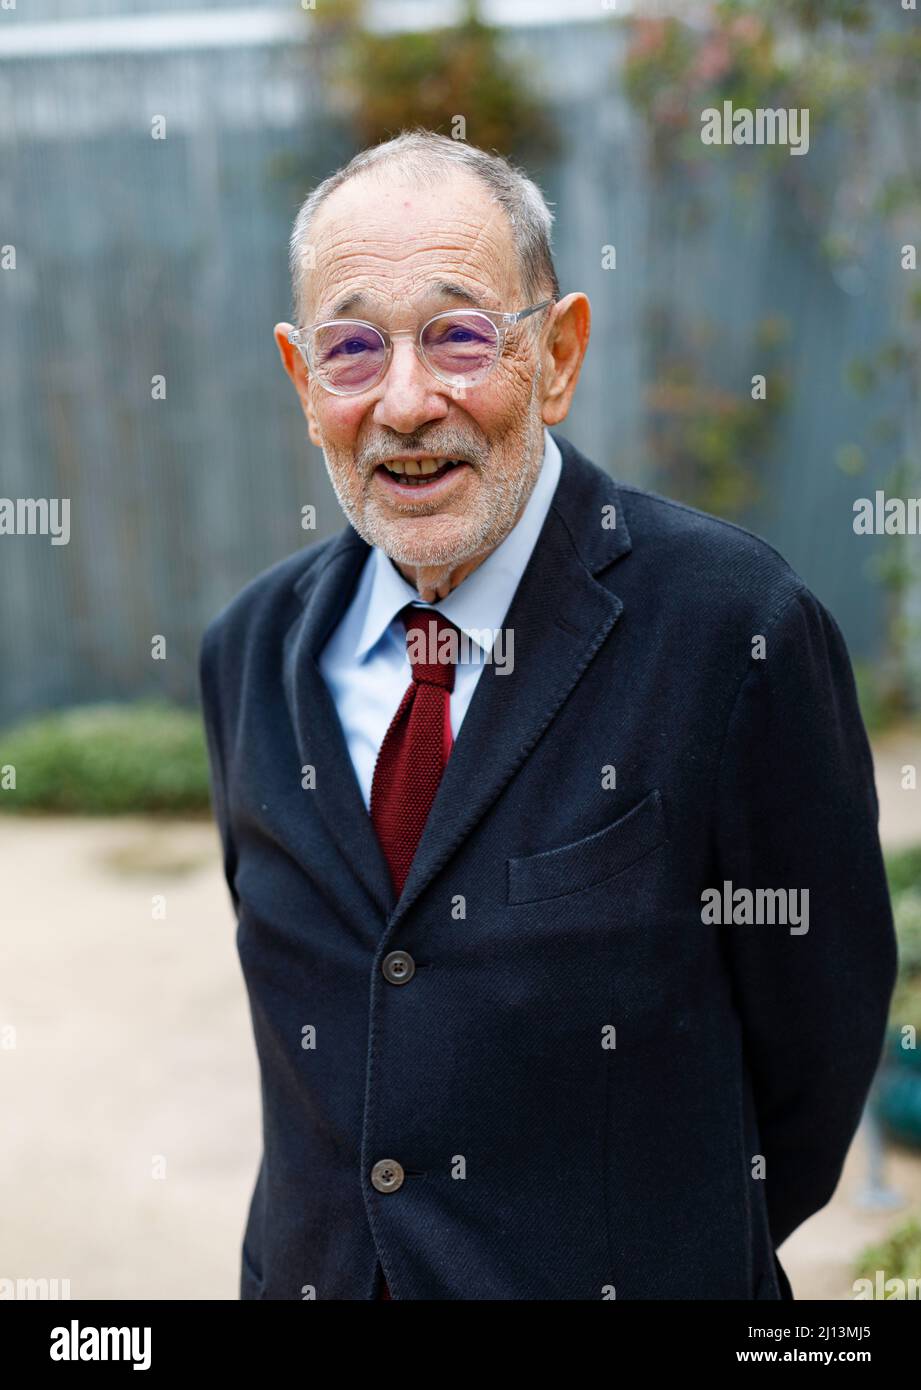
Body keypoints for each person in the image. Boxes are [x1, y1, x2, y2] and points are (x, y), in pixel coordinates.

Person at [199, 130, 898, 1300]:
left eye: (461, 334)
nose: (408, 402)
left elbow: (818, 1041)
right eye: (354, 348)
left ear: (559, 354)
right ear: (301, 381)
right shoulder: (250, 654)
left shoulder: (735, 630)